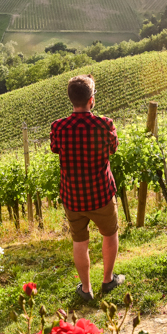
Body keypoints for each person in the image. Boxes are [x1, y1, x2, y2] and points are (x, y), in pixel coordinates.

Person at [50, 74, 124, 301]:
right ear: (91, 100)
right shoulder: (105, 124)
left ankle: (85, 289)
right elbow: (113, 149)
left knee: (79, 241)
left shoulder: (59, 127)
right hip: (101, 193)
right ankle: (108, 280)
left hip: (73, 196)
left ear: (71, 100)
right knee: (109, 235)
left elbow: (55, 149)